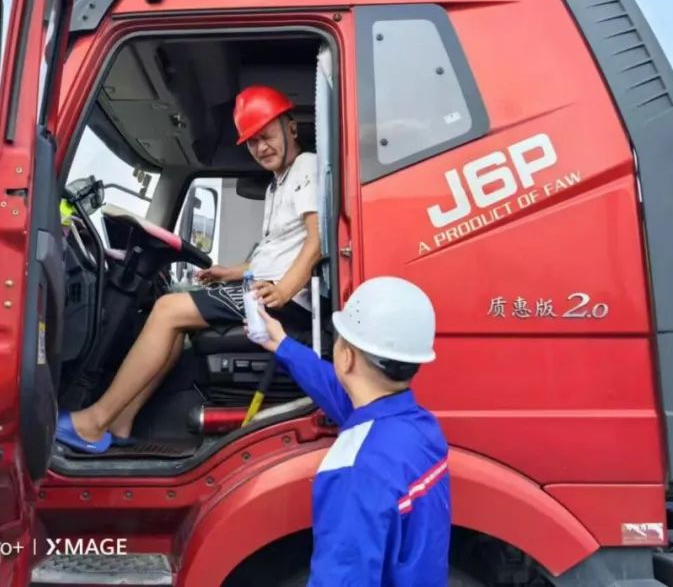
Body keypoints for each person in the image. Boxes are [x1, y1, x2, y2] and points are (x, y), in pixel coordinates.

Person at [56, 85, 321, 452]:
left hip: (281, 301)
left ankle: (94, 421)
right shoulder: (279, 184)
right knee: (173, 323)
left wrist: (284, 290)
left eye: (267, 136)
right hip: (265, 289)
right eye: (252, 142)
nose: (261, 148)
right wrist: (230, 272)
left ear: (291, 127)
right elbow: (276, 252)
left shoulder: (307, 166)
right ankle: (121, 421)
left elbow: (317, 240)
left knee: (167, 309)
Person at [250, 276, 451, 586]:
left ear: (345, 358)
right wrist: (283, 346)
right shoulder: (420, 429)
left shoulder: (355, 471)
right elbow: (340, 392)